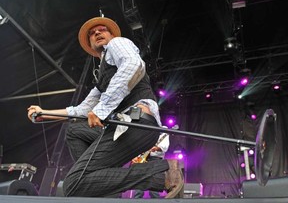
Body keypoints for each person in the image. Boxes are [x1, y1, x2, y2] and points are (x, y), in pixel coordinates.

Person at [27, 16, 184, 198]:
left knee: (72, 185)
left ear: (111, 34)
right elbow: (82, 111)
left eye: (102, 30)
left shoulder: (117, 44)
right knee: (74, 131)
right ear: (91, 45)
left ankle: (161, 174)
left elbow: (133, 65)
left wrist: (101, 110)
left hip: (137, 122)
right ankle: (99, 183)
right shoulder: (102, 75)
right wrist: (45, 113)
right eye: (93, 34)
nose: (97, 33)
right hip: (120, 129)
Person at [132, 132, 170, 198]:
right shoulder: (146, 131)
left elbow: (165, 147)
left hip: (155, 159)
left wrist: (156, 148)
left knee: (154, 182)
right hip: (142, 158)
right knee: (139, 181)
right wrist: (135, 157)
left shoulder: (163, 132)